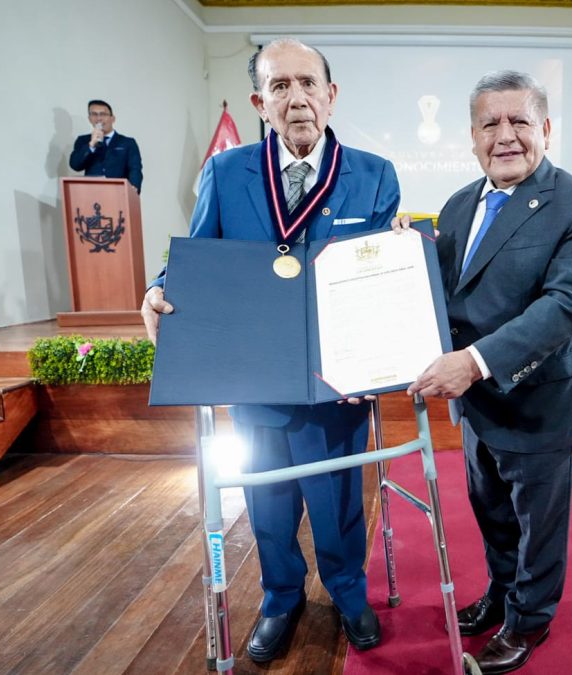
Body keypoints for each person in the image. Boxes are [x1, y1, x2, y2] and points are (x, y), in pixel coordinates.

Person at [140, 39, 400, 663]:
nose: (296, 98)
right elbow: (200, 255)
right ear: (260, 102)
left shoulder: (374, 174)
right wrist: (159, 288)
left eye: (308, 83)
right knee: (267, 502)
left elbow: (383, 271)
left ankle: (346, 592)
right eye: (279, 86)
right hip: (255, 375)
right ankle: (281, 596)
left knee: (338, 500)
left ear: (331, 95)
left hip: (337, 380)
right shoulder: (227, 174)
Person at [397, 71, 572, 674]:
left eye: (519, 121)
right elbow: (438, 291)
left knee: (537, 524)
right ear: (471, 136)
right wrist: (397, 257)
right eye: (491, 123)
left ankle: (528, 621)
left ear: (545, 128)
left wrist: (476, 362)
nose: (506, 135)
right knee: (490, 509)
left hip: (538, 397)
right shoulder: (459, 204)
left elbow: (566, 306)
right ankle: (501, 593)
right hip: (476, 404)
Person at [69, 99, 143, 193]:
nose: (99, 118)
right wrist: (91, 145)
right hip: (91, 194)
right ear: (89, 118)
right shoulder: (83, 141)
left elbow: (135, 169)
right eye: (94, 114)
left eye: (103, 114)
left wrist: (133, 189)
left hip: (119, 193)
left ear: (112, 118)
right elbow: (75, 165)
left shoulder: (127, 142)